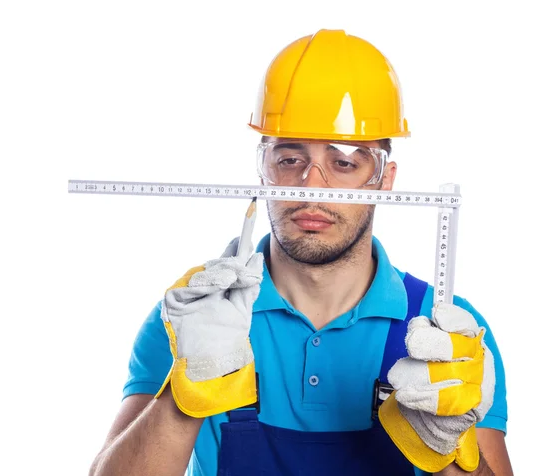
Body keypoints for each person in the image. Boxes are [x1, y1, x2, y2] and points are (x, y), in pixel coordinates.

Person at [88, 29, 513, 476]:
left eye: (344, 162)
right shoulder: (193, 319)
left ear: (385, 180)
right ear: (263, 169)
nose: (311, 186)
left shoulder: (445, 330)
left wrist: (448, 449)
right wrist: (182, 396)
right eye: (289, 159)